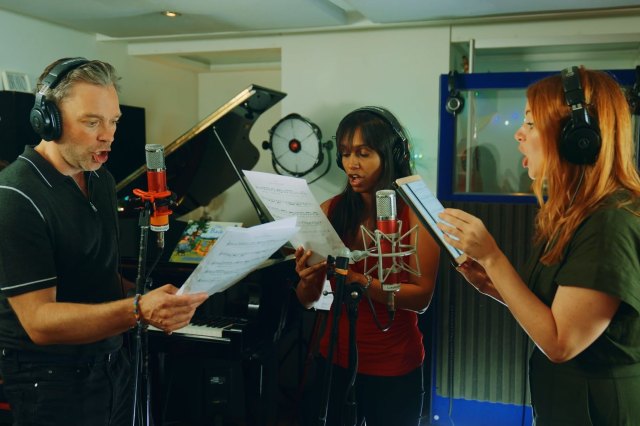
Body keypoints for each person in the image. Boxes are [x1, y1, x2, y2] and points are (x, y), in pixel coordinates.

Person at [0, 57, 209, 426]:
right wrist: (138, 309)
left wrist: (153, 298)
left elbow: (100, 278)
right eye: (92, 122)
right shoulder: (15, 196)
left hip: (113, 367)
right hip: (50, 384)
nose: (107, 135)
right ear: (47, 120)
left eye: (112, 121)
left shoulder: (101, 181)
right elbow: (40, 321)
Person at [438, 66, 640, 425]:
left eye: (531, 124)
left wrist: (493, 257)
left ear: (578, 137)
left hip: (601, 411)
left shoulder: (609, 222)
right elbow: (557, 312)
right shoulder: (575, 212)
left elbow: (561, 342)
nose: (518, 133)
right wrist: (494, 285)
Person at [295, 106, 440, 425]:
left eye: (363, 153)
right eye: (346, 154)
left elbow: (421, 298)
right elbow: (309, 300)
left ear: (392, 155)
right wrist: (307, 281)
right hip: (334, 360)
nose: (351, 164)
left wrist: (362, 284)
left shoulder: (418, 215)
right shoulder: (329, 211)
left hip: (394, 368)